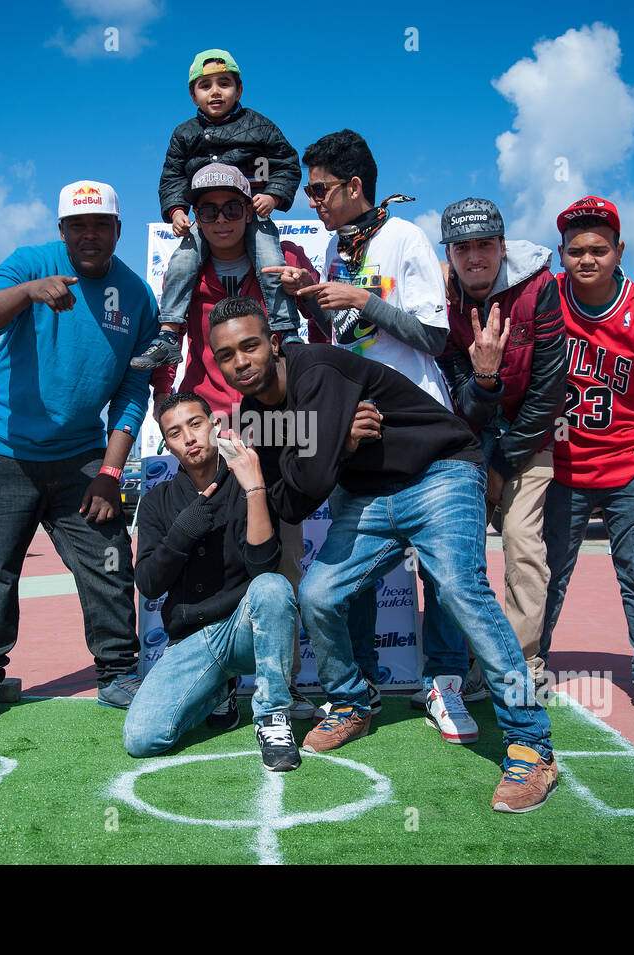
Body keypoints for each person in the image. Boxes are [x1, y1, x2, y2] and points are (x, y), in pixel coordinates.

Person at [209, 295, 558, 813]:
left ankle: (532, 744)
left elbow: (306, 481)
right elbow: (291, 500)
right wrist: (337, 447)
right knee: (319, 594)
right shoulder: (255, 418)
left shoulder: (316, 370)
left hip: (439, 472)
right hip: (367, 497)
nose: (241, 362)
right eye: (226, 355)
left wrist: (324, 451)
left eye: (250, 346)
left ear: (274, 343)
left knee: (462, 589)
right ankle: (352, 702)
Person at [0, 180, 159, 726]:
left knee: (110, 561)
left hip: (81, 457)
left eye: (100, 225)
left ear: (117, 230)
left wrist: (111, 470)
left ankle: (117, 673)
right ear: (61, 230)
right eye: (77, 225)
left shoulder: (137, 297)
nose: (89, 234)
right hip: (3, 449)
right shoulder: (30, 263)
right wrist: (28, 292)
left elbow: (134, 391)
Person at [271, 129, 452, 723]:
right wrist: (308, 301)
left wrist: (361, 297)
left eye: (321, 191)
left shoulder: (405, 237)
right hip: (358, 423)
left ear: (355, 186)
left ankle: (446, 682)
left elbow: (436, 336)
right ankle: (363, 687)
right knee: (350, 572)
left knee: (445, 572)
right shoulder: (334, 251)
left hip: (416, 424)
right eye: (308, 192)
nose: (312, 203)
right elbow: (342, 344)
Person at [148, 162, 322, 722]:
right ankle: (216, 675)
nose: (221, 219)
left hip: (270, 424)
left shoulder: (285, 259)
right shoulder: (187, 268)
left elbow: (319, 333)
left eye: (232, 207)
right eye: (208, 209)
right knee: (206, 551)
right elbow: (167, 351)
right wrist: (164, 408)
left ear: (252, 209)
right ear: (193, 217)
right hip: (208, 428)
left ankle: (282, 682)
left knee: (280, 555)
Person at [538, 196, 634, 725]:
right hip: (565, 470)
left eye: (599, 250)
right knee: (547, 574)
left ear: (619, 250)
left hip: (631, 469)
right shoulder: (546, 298)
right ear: (560, 253)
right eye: (576, 250)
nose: (587, 260)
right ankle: (532, 664)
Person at [432, 197, 566, 700]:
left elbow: (550, 388)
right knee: (457, 550)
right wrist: (485, 375)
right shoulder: (441, 297)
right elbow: (459, 398)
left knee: (523, 545)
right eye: (462, 247)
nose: (474, 257)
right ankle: (471, 660)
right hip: (468, 435)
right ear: (450, 254)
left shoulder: (540, 288)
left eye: (484, 244)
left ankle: (522, 662)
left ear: (502, 246)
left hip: (530, 436)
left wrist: (504, 463)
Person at [126, 393, 300, 770]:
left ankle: (272, 716)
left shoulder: (246, 480)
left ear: (214, 425)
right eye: (175, 432)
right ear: (167, 444)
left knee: (273, 587)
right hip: (190, 641)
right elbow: (149, 583)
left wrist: (254, 488)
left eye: (195, 424)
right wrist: (181, 534)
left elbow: (263, 566)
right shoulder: (158, 500)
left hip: (243, 631)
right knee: (141, 739)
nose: (189, 438)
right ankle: (217, 690)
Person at [132, 49, 300, 370]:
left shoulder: (259, 125)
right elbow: (172, 176)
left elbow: (287, 164)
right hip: (205, 217)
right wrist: (177, 210)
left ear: (239, 89)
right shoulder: (184, 133)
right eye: (205, 85)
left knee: (271, 261)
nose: (215, 91)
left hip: (251, 213)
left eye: (224, 83)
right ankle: (168, 335)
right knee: (181, 260)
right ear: (193, 94)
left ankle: (286, 331)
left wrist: (274, 196)